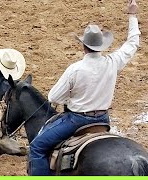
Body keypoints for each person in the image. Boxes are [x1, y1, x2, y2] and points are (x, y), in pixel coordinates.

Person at [28, 0, 140, 175]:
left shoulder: (75, 69)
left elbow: (53, 97)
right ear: (102, 45)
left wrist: (70, 97)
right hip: (103, 121)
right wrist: (132, 15)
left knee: (37, 147)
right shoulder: (113, 62)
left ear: (83, 46)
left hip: (77, 121)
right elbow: (132, 43)